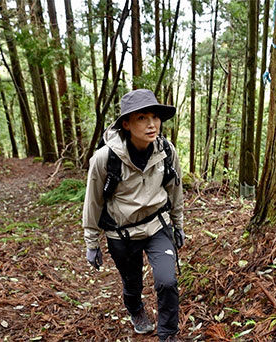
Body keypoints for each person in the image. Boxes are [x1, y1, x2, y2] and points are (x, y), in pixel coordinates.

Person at [82, 89, 184, 342]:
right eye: (142, 118)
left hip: (158, 226)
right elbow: (93, 201)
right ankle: (136, 310)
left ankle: (168, 334)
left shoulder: (166, 151)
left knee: (167, 281)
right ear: (126, 124)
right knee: (132, 283)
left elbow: (175, 190)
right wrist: (92, 242)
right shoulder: (104, 158)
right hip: (122, 233)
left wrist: (179, 225)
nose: (152, 124)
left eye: (155, 117)